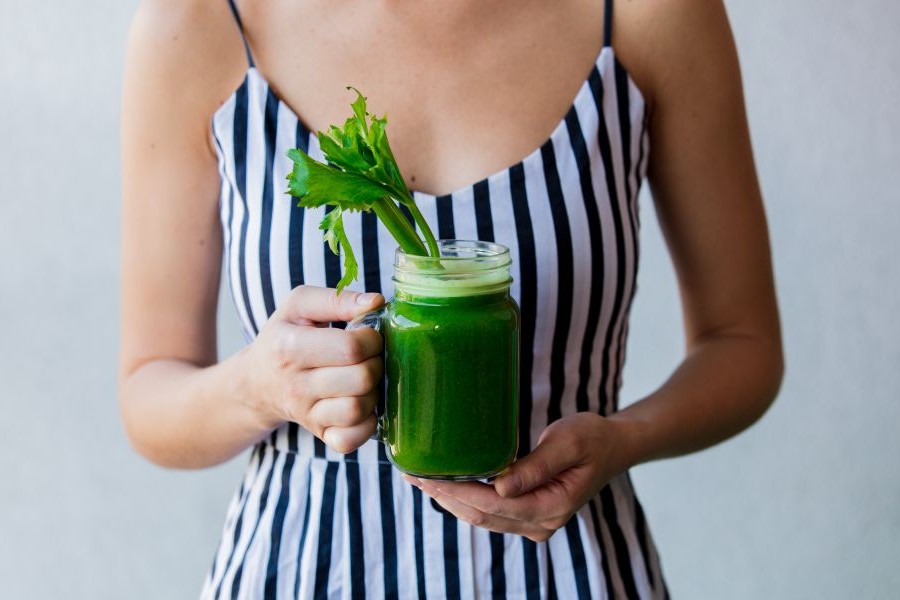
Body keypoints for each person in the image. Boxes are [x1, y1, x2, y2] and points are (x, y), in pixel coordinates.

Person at [119, 0, 783, 597]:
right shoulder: (198, 25)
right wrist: (258, 387)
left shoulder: (650, 15)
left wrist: (624, 439)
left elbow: (743, 344)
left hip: (572, 569)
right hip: (301, 569)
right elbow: (148, 391)